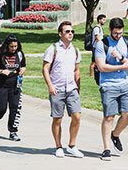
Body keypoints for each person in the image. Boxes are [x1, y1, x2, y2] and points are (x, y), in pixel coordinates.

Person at [95, 18, 128, 161]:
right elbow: (101, 67)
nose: (118, 35)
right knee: (109, 117)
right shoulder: (102, 44)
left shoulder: (127, 42)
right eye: (115, 33)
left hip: (125, 84)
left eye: (120, 33)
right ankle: (106, 149)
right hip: (108, 85)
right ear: (110, 30)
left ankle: (115, 134)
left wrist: (121, 58)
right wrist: (121, 66)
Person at [42, 21, 83, 158]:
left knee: (77, 116)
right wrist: (50, 86)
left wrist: (78, 87)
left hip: (71, 88)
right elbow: (45, 69)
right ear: (60, 34)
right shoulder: (53, 49)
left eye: (72, 31)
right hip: (57, 89)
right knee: (57, 119)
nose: (70, 33)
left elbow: (77, 70)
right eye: (67, 31)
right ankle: (58, 146)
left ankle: (72, 146)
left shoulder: (75, 50)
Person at [0, 34, 26, 141]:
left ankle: (13, 131)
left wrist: (22, 70)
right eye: (11, 47)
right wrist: (1, 71)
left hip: (15, 85)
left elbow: (23, 65)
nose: (14, 49)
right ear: (7, 46)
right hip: (1, 85)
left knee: (15, 108)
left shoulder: (19, 53)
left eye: (15, 46)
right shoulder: (0, 54)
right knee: (1, 108)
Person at [90, 14, 107, 79]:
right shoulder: (96, 28)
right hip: (96, 47)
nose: (104, 21)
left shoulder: (100, 28)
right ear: (99, 20)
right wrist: (102, 43)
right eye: (103, 20)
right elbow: (97, 37)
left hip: (99, 47)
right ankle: (91, 75)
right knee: (94, 62)